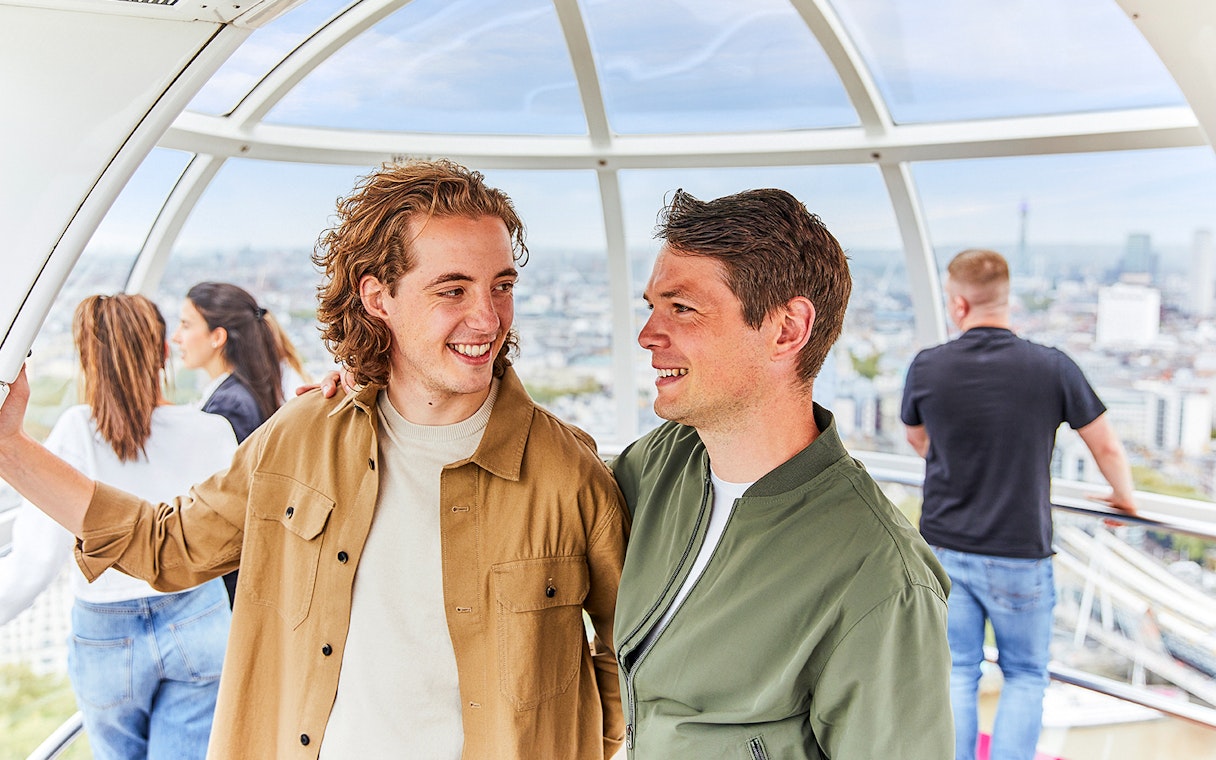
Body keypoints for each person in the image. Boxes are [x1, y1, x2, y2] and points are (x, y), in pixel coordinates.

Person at [0, 159, 628, 759]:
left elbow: (627, 649)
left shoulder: (567, 473)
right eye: (452, 290)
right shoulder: (301, 439)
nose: (487, 317)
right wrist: (11, 449)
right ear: (378, 297)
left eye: (501, 286)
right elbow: (164, 545)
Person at [611, 188, 953, 758]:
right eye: (651, 305)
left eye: (681, 307)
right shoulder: (665, 461)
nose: (648, 333)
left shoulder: (881, 581)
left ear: (787, 329)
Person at [900, 248, 1137, 760]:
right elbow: (1107, 447)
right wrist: (1123, 499)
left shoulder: (928, 366)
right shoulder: (1052, 367)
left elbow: (916, 437)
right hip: (1020, 550)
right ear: (1006, 300)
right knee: (1026, 676)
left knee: (957, 670)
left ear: (959, 304)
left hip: (944, 544)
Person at [0, 294, 236, 760]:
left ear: (85, 358)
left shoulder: (75, 431)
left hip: (107, 634)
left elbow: (34, 563)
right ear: (163, 354)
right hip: (199, 616)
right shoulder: (210, 430)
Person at [171, 280, 284, 605]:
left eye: (186, 324)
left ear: (217, 337)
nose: (177, 336)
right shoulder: (245, 391)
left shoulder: (229, 406)